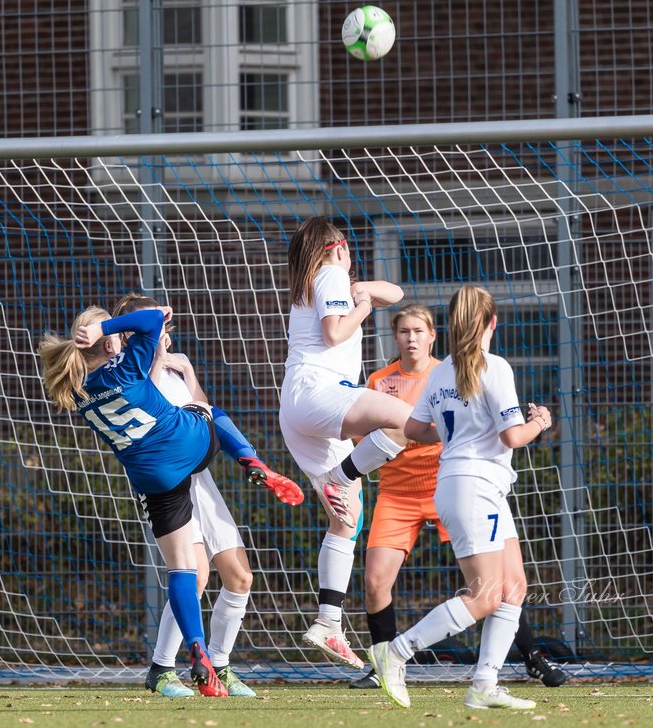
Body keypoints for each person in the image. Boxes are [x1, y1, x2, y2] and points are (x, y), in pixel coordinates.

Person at [349, 304, 568, 690]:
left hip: (453, 484)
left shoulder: (442, 371)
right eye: (404, 331)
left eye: (419, 330)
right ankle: (391, 655)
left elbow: (418, 428)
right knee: (481, 590)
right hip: (421, 490)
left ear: (437, 333)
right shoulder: (387, 380)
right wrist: (539, 421)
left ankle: (508, 669)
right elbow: (510, 436)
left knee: (509, 585)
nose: (412, 338)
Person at [112, 293, 304, 699]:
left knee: (240, 576)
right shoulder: (130, 374)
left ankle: (218, 665)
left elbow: (205, 412)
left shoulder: (175, 370)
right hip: (168, 483)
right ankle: (162, 669)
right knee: (194, 574)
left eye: (163, 327)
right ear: (128, 334)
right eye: (148, 328)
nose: (160, 334)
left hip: (202, 481)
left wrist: (188, 371)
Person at [39, 303, 228, 696]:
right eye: (112, 335)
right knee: (207, 414)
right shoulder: (125, 368)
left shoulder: (79, 393)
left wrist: (103, 333)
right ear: (109, 344)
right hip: (183, 450)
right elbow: (154, 317)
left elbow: (151, 321)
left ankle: (196, 647)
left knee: (183, 569)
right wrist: (107, 326)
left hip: (149, 478)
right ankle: (252, 460)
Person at [279, 216, 409, 668]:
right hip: (321, 393)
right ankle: (342, 472)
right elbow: (337, 331)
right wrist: (362, 307)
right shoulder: (331, 275)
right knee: (408, 423)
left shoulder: (317, 280)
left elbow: (397, 293)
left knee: (346, 518)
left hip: (297, 408)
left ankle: (328, 622)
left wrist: (364, 289)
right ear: (340, 247)